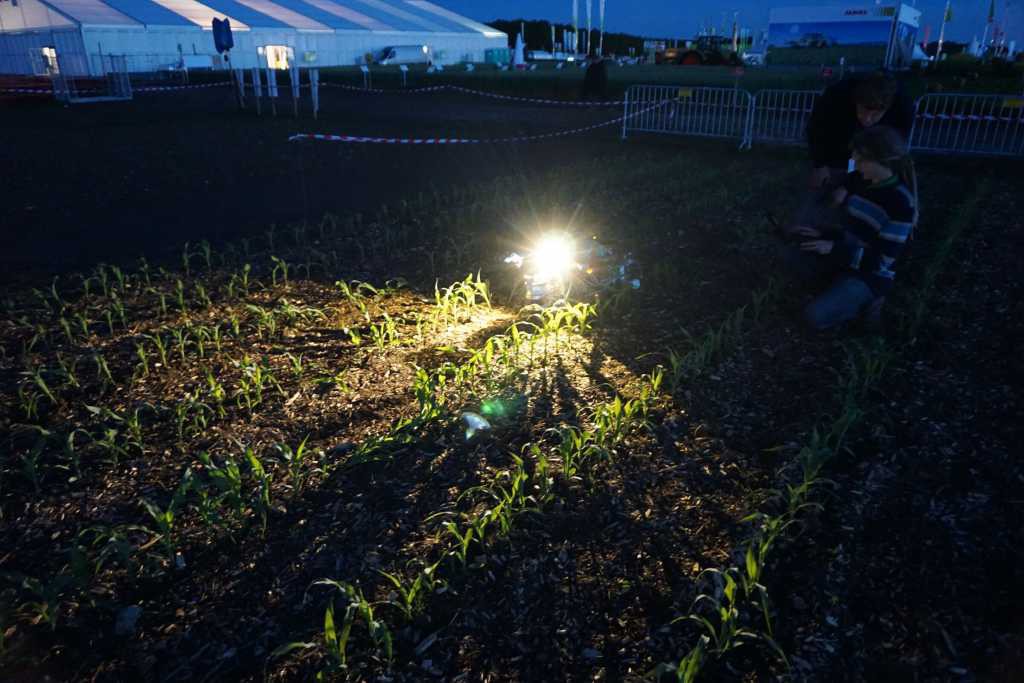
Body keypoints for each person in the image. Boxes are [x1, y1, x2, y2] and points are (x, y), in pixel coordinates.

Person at [785, 126, 917, 331]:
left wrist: (832, 249)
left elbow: (881, 261)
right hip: (846, 260)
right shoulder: (862, 185)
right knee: (795, 253)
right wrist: (822, 233)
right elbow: (851, 232)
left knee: (813, 316)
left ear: (879, 159)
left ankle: (867, 303)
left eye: (859, 157)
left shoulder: (901, 203)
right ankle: (837, 289)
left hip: (870, 275)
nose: (853, 162)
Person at [804, 70, 914, 192]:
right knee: (823, 193)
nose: (867, 119)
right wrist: (819, 164)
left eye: (875, 115)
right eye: (862, 111)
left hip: (875, 164)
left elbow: (894, 151)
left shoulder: (902, 108)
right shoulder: (836, 96)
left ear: (887, 108)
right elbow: (815, 129)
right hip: (836, 156)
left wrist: (848, 187)